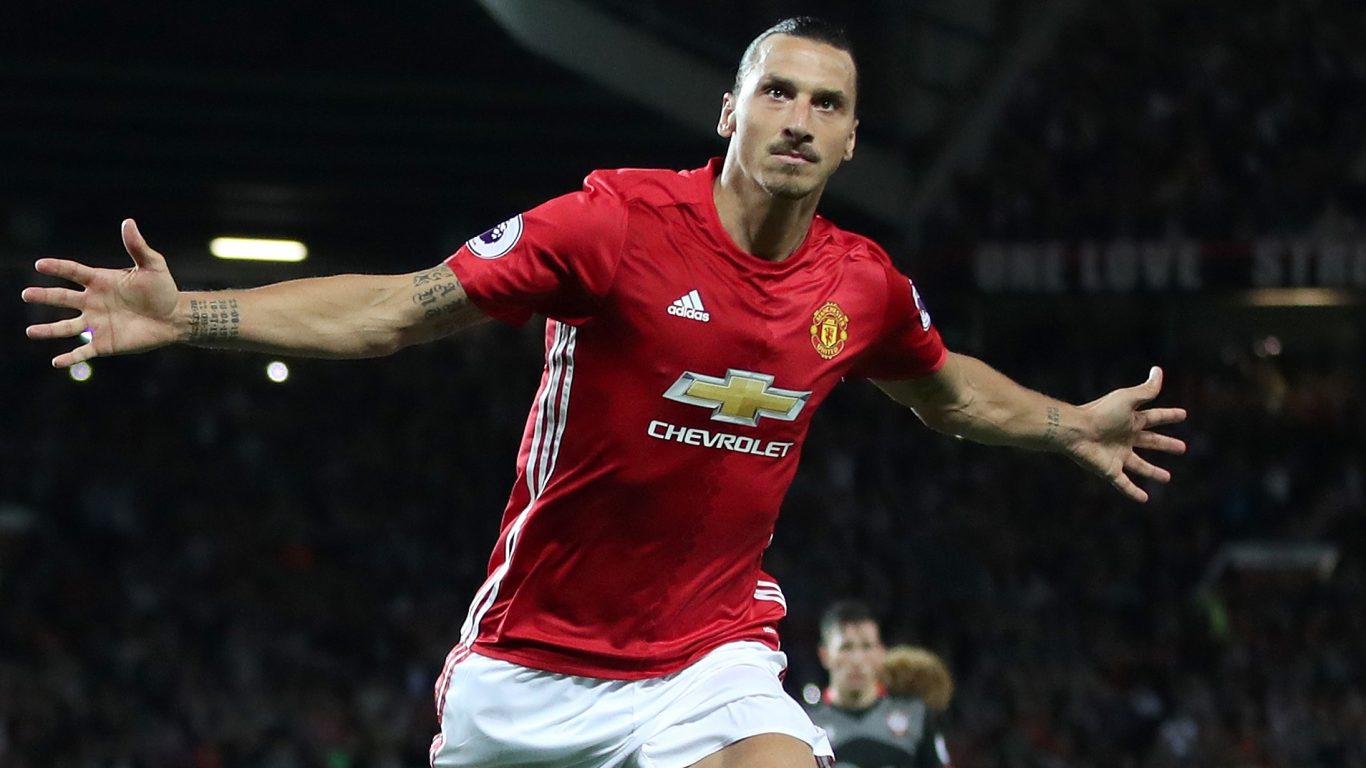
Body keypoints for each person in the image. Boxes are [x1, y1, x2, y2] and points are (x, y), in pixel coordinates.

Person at [21, 16, 1187, 768]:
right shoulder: (614, 225)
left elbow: (946, 392)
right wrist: (193, 314)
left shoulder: (861, 286)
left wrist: (1067, 425)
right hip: (529, 668)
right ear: (729, 111)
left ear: (848, 141)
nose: (798, 119)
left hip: (709, 658)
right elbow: (400, 309)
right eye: (776, 92)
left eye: (826, 105)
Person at [806, 601, 953, 768]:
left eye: (867, 647)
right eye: (846, 647)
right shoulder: (807, 724)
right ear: (825, 655)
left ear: (881, 652)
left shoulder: (916, 715)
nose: (857, 660)